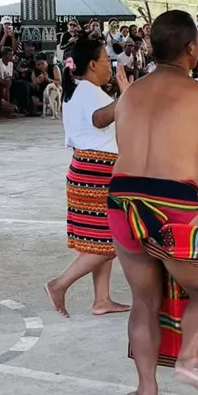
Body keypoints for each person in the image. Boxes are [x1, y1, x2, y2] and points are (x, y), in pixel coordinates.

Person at [107, 10, 198, 395]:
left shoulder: (131, 93)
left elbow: (126, 146)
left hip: (122, 199)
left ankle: (146, 393)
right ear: (192, 47)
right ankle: (187, 361)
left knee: (143, 301)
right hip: (172, 202)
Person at [45, 39, 131, 318]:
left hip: (87, 167)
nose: (109, 66)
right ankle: (60, 284)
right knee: (111, 241)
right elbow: (100, 119)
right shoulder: (89, 91)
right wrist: (126, 97)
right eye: (106, 61)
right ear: (93, 65)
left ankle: (102, 299)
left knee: (100, 239)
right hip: (97, 171)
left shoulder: (78, 90)